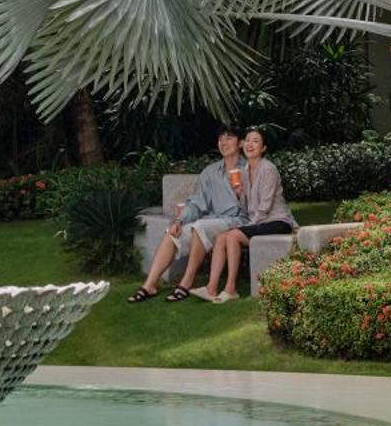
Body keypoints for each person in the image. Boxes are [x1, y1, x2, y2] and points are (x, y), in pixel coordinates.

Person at [127, 125, 244, 303]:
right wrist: (179, 220)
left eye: (229, 137)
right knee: (173, 232)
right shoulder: (210, 172)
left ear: (240, 143)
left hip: (238, 221)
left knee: (199, 226)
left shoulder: (249, 168)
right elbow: (197, 203)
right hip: (212, 222)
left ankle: (186, 283)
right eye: (221, 138)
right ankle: (149, 285)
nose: (223, 142)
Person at [206, 127, 297, 300]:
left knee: (232, 236)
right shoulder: (244, 171)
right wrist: (239, 192)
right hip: (259, 221)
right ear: (242, 144)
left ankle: (231, 288)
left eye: (256, 141)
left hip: (277, 221)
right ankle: (210, 288)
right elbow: (247, 207)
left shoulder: (268, 169)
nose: (250, 144)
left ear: (263, 148)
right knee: (220, 238)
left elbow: (265, 206)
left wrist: (248, 226)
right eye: (247, 140)